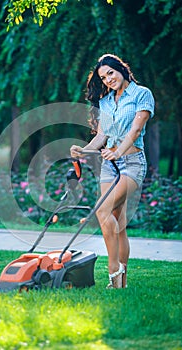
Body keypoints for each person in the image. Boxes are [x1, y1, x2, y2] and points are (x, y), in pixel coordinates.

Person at [70, 54, 155, 289]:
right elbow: (102, 136)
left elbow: (136, 130)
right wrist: (83, 150)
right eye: (103, 77)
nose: (108, 79)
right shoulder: (106, 102)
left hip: (132, 163)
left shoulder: (142, 94)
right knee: (117, 220)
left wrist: (118, 152)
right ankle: (121, 283)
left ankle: (113, 270)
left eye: (110, 73)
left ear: (121, 70)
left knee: (102, 209)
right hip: (109, 166)